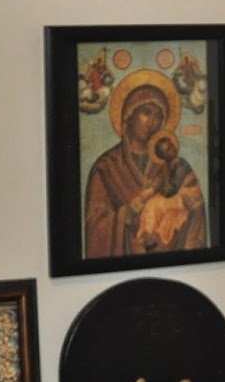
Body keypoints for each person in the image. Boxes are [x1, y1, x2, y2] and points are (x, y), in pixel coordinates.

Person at [83, 72, 207, 259]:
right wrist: (131, 210)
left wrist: (187, 205)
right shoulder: (105, 168)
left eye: (158, 116)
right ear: (129, 115)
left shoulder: (177, 166)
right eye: (146, 112)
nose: (152, 122)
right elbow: (96, 229)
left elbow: (196, 221)